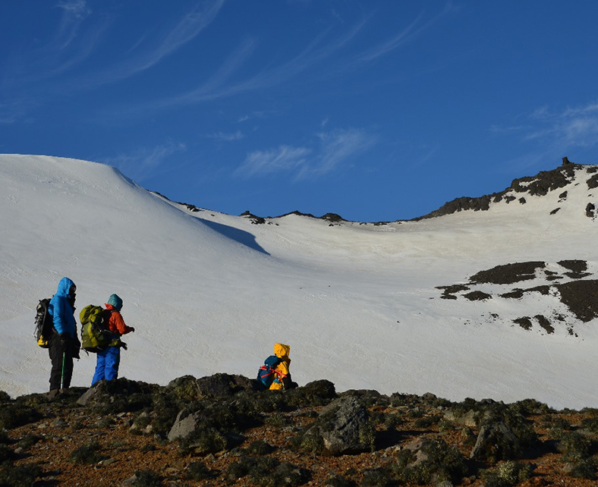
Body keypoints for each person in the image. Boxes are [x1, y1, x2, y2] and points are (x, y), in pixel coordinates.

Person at [91, 294, 134, 386]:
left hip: (101, 344)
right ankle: (109, 389)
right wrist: (130, 329)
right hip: (112, 345)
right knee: (111, 367)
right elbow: (122, 329)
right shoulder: (116, 314)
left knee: (100, 368)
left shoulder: (103, 313)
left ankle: (93, 390)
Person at [48, 277, 79, 397]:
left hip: (65, 337)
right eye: (71, 289)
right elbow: (57, 317)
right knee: (59, 364)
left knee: (67, 364)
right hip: (58, 337)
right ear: (65, 288)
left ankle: (64, 390)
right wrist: (63, 334)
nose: (73, 292)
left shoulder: (66, 301)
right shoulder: (58, 299)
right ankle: (55, 391)